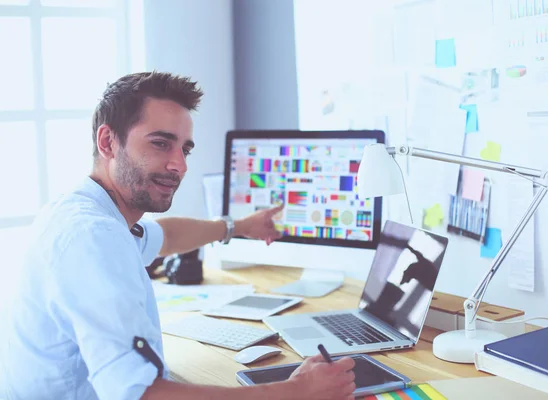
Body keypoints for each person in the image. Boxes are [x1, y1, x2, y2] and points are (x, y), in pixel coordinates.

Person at [0, 72, 356, 400]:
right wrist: (296, 392)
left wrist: (239, 226)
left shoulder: (88, 211)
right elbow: (138, 395)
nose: (180, 165)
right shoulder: (93, 238)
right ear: (108, 141)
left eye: (184, 148)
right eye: (160, 144)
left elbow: (164, 237)